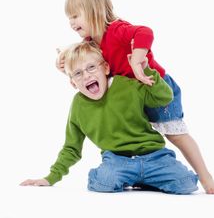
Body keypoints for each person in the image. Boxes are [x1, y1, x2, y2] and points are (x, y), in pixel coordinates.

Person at [56, 0, 214, 194]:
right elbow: (84, 64)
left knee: (176, 135)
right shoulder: (90, 42)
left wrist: (138, 60)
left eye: (75, 16)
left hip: (156, 88)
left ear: (93, 10)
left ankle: (205, 176)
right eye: (69, 17)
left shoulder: (116, 30)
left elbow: (144, 32)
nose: (71, 22)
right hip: (133, 96)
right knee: (140, 133)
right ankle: (144, 172)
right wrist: (60, 64)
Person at [20, 41, 198, 194]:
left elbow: (165, 97)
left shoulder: (127, 86)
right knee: (104, 182)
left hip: (154, 157)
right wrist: (51, 177)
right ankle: (128, 177)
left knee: (187, 184)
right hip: (117, 160)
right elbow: (71, 148)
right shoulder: (78, 106)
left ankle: (144, 180)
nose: (86, 75)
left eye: (91, 67)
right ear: (73, 82)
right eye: (78, 73)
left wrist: (147, 71)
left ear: (105, 68)